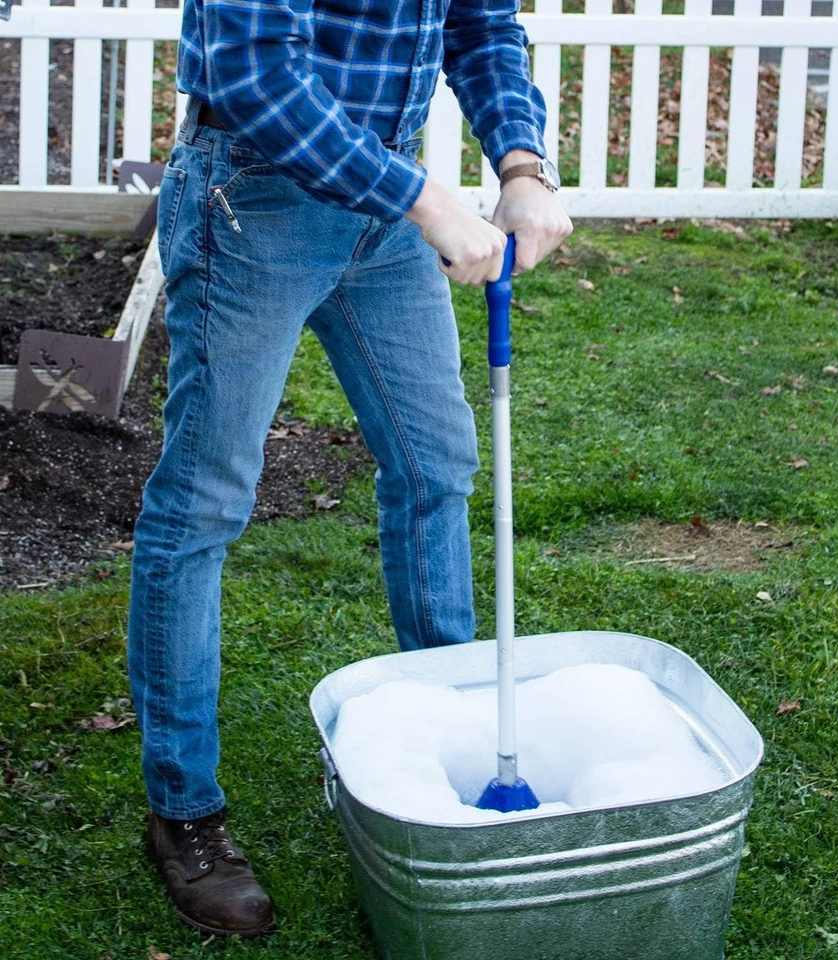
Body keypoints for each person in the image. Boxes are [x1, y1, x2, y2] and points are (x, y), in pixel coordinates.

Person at [127, 0, 572, 939]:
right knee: (203, 507)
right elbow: (255, 75)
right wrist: (426, 200)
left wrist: (522, 165)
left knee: (436, 467)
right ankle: (185, 816)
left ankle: (447, 741)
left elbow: (482, 24)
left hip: (387, 203)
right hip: (254, 199)